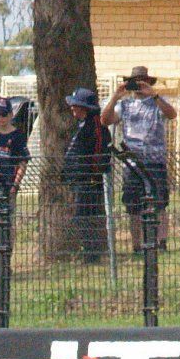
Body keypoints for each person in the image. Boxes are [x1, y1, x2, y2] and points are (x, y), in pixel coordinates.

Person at [101, 65, 176, 256]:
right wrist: (116, 96)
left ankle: (161, 242)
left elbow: (171, 114)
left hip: (155, 160)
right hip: (131, 163)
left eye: (143, 81)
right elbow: (105, 120)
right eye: (136, 82)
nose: (139, 85)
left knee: (159, 203)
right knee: (133, 206)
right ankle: (137, 245)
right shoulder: (124, 105)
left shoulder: (158, 102)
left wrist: (155, 95)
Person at [62, 87, 111, 263]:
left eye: (76, 105)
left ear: (85, 107)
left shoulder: (96, 126)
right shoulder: (81, 125)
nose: (73, 108)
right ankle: (88, 251)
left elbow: (99, 152)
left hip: (89, 181)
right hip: (78, 179)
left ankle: (92, 254)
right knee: (81, 216)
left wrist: (93, 175)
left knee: (86, 216)